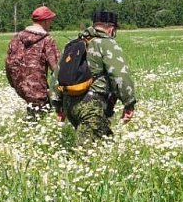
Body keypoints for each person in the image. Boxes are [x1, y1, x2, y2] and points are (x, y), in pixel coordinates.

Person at [53, 10, 136, 145]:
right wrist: (129, 103)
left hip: (69, 104)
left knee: (104, 144)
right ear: (111, 29)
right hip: (91, 106)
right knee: (86, 155)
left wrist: (58, 105)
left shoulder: (74, 44)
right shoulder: (107, 44)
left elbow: (57, 75)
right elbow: (120, 76)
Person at [5, 6, 60, 119]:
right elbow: (56, 67)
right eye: (50, 19)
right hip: (38, 87)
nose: (51, 22)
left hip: (20, 85)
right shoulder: (47, 39)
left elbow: (8, 62)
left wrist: (13, 83)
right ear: (45, 20)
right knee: (43, 115)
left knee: (34, 113)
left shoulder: (16, 38)